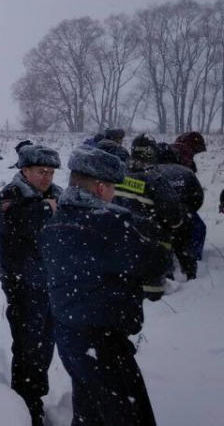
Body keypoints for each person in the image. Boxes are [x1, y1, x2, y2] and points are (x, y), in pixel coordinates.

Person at [40, 145, 167, 426]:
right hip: (103, 343)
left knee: (90, 412)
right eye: (111, 188)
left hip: (69, 336)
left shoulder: (55, 222)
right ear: (99, 188)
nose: (113, 194)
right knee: (130, 417)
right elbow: (157, 262)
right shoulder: (110, 224)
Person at [0, 142, 62, 425]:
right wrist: (47, 209)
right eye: (39, 171)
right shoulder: (12, 194)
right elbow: (14, 222)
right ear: (24, 170)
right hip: (22, 284)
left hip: (51, 284)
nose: (46, 177)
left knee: (46, 345)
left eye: (50, 172)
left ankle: (36, 396)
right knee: (27, 345)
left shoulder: (58, 195)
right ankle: (24, 403)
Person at [112, 134, 182, 299]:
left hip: (119, 248)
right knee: (156, 299)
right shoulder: (157, 180)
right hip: (151, 249)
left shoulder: (117, 175)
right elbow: (174, 218)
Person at [156, 142, 205, 279]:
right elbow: (198, 196)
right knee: (183, 245)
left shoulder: (152, 172)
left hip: (159, 218)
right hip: (184, 216)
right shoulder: (187, 172)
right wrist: (189, 210)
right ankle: (191, 273)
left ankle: (167, 275)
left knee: (163, 248)